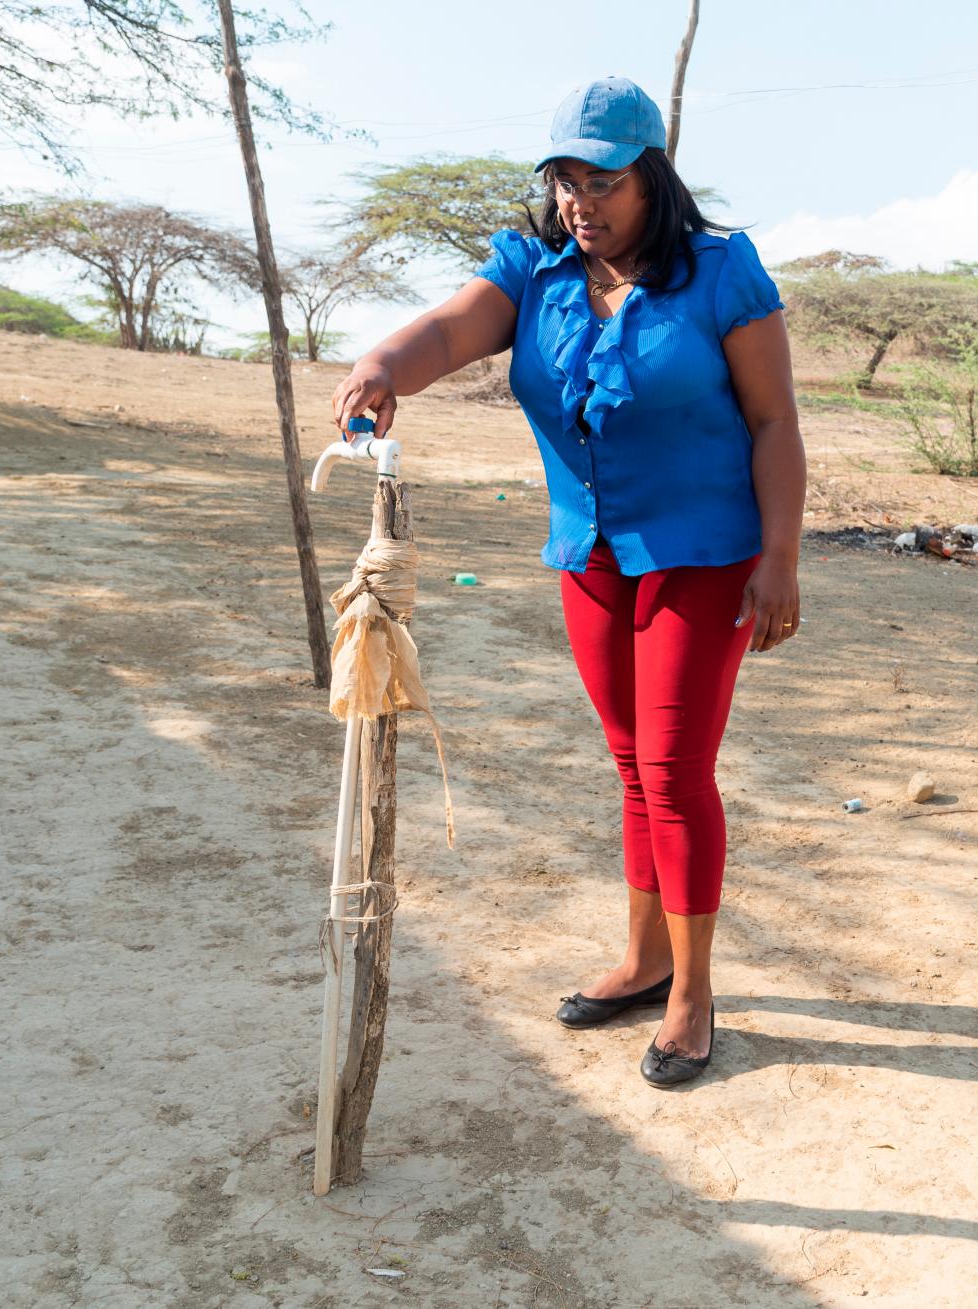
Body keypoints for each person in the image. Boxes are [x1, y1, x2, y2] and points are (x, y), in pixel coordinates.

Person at [330, 76, 804, 1087]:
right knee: (632, 766)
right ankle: (642, 957)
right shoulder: (534, 271)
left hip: (703, 553)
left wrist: (779, 556)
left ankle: (691, 993)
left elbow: (773, 422)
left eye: (603, 182)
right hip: (589, 552)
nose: (579, 203)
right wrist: (383, 364)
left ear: (650, 179)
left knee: (674, 771)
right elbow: (451, 330)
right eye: (562, 181)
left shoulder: (721, 273)